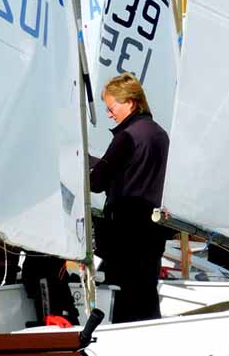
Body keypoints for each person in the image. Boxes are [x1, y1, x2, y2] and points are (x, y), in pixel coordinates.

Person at [90, 72, 170, 324]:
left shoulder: (127, 136)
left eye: (111, 107)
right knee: (146, 295)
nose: (109, 113)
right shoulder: (161, 135)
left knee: (122, 299)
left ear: (130, 103)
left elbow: (96, 182)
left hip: (124, 230)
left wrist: (86, 164)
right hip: (153, 230)